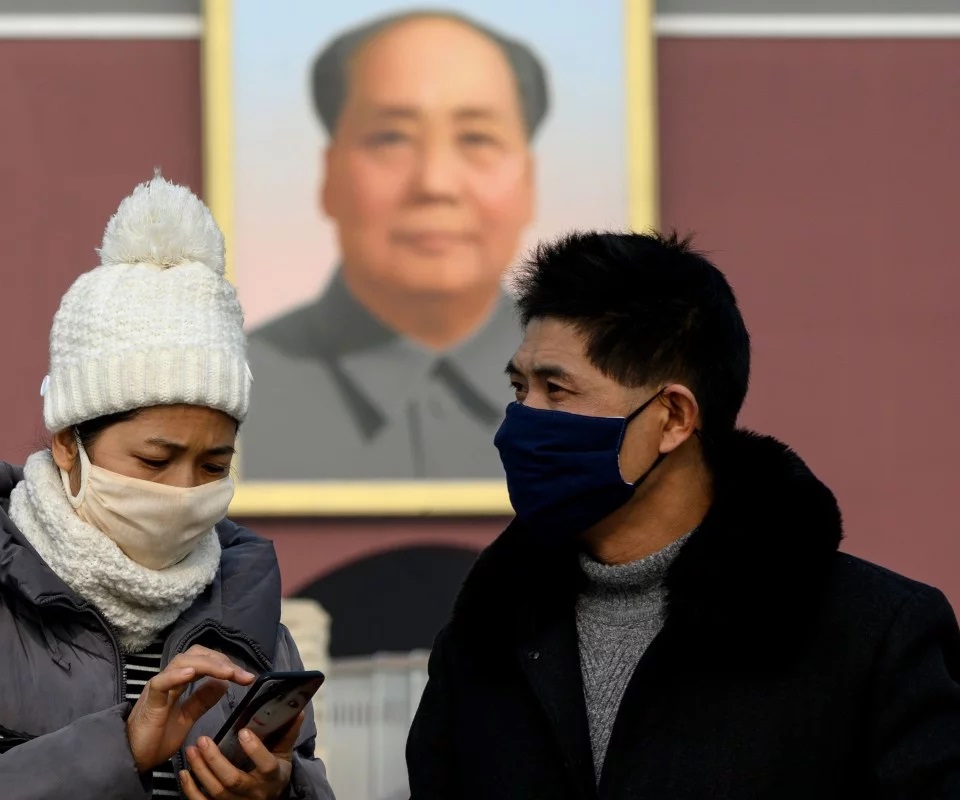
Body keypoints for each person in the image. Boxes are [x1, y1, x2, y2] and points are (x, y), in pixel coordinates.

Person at [0, 175, 333, 800]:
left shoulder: (249, 611)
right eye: (154, 460)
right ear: (68, 442)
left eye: (213, 465)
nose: (183, 492)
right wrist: (115, 751)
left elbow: (305, 776)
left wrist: (277, 792)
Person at [406, 232, 960, 798]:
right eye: (519, 388)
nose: (521, 421)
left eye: (557, 389)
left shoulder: (874, 638)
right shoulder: (482, 642)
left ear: (672, 417)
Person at [245, 10, 547, 480]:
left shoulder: (599, 398)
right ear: (329, 176)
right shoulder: (234, 392)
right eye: (391, 138)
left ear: (529, 182)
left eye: (477, 138)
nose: (435, 183)